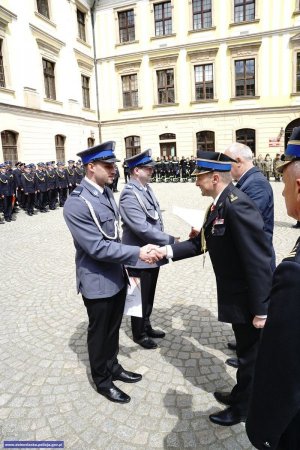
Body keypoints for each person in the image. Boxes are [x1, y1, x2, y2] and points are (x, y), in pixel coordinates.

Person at [156, 151, 273, 426]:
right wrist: (164, 251)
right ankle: (240, 394)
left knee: (250, 358)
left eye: (199, 178)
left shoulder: (236, 206)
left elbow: (259, 260)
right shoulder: (218, 206)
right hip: (236, 296)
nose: (196, 183)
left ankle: (244, 408)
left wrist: (261, 309)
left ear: (215, 177)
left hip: (248, 299)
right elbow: (200, 245)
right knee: (245, 354)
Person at [63, 141, 160, 404]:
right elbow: (96, 247)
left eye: (114, 165)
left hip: (115, 275)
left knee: (113, 327)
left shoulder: (104, 192)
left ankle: (113, 366)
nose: (114, 170)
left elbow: (114, 234)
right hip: (97, 280)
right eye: (108, 166)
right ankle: (103, 380)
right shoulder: (77, 203)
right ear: (91, 167)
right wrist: (136, 253)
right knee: (100, 331)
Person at [246, 126, 300, 450]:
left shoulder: (294, 273)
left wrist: (261, 431)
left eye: (283, 185)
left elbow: (282, 374)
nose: (281, 195)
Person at [224, 143, 276, 367]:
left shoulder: (256, 185)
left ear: (238, 162)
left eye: (228, 164)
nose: (226, 169)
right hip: (246, 258)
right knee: (245, 315)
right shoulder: (247, 182)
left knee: (252, 314)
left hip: (254, 261)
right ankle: (245, 343)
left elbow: (243, 222)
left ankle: (250, 356)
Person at [119, 150, 176, 350]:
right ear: (136, 170)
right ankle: (139, 333)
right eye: (148, 168)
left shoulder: (145, 188)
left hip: (152, 253)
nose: (152, 171)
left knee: (149, 293)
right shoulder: (129, 193)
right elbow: (141, 227)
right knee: (138, 296)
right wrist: (170, 240)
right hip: (137, 255)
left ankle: (147, 324)